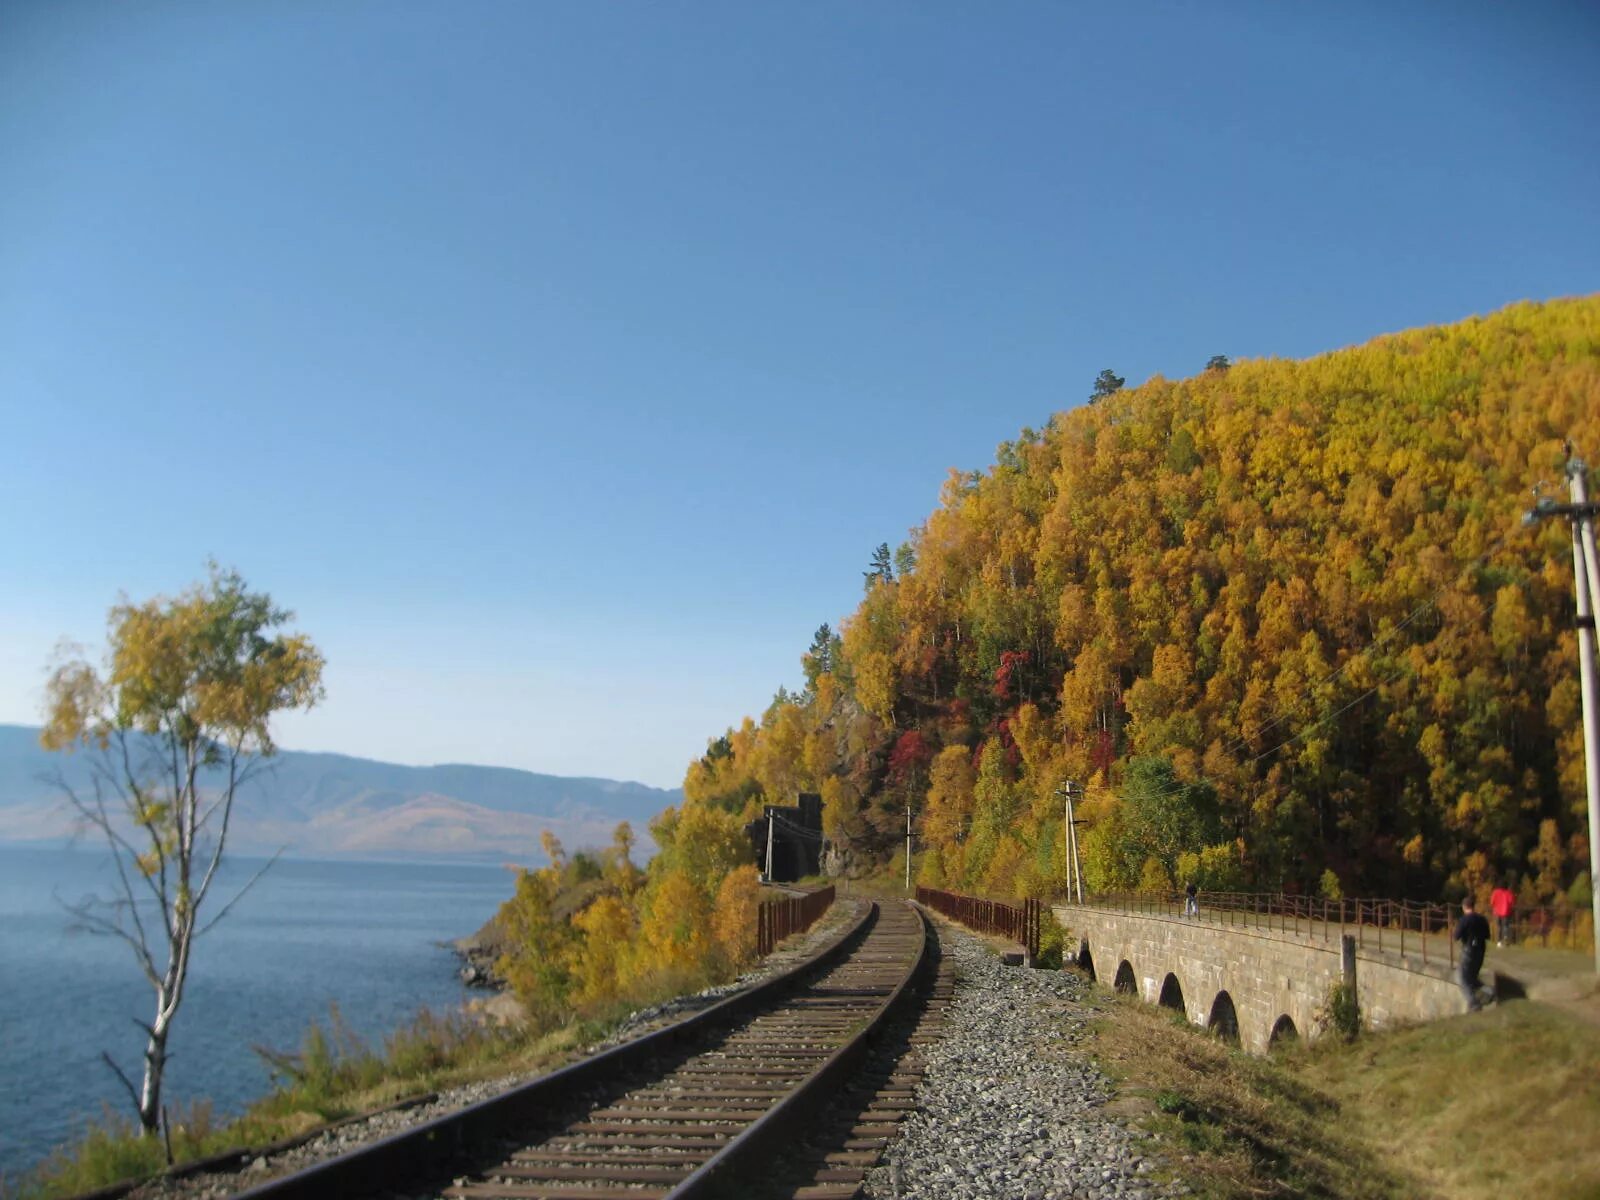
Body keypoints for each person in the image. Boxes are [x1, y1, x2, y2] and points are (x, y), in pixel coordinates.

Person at [1453, 895, 1492, 1012]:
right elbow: (1487, 936)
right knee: (1472, 978)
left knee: (1461, 977)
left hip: (1469, 950)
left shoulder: (1464, 920)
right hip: (1481, 950)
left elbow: (1456, 936)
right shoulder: (1482, 919)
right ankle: (1490, 991)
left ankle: (1473, 1003)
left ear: (1464, 907)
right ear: (1473, 906)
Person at [1490, 882, 1515, 947]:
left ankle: (1499, 942)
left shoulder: (1495, 892)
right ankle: (1506, 938)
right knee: (1505, 926)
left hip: (1497, 912)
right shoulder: (1508, 893)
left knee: (1499, 927)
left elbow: (1492, 902)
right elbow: (1511, 902)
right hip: (1506, 912)